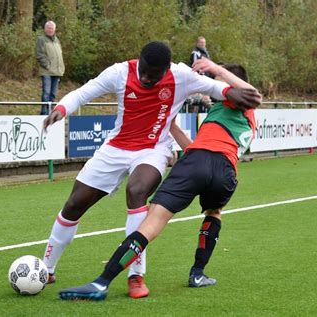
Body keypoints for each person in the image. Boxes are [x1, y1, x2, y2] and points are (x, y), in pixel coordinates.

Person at [42, 42, 260, 299]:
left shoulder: (180, 76)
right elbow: (83, 92)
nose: (145, 78)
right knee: (74, 203)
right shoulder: (120, 72)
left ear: (166, 69)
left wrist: (228, 91)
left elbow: (218, 88)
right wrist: (61, 109)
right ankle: (47, 267)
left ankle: (136, 275)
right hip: (116, 146)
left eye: (153, 75)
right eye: (143, 71)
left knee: (137, 191)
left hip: (153, 149)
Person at [36, 21, 65, 115]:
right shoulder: (41, 39)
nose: (50, 30)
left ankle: (51, 113)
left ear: (54, 29)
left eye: (52, 28)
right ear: (45, 29)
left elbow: (59, 55)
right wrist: (47, 66)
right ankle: (44, 113)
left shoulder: (57, 40)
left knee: (53, 94)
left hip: (57, 72)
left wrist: (61, 69)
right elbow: (39, 54)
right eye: (48, 28)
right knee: (46, 93)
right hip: (46, 71)